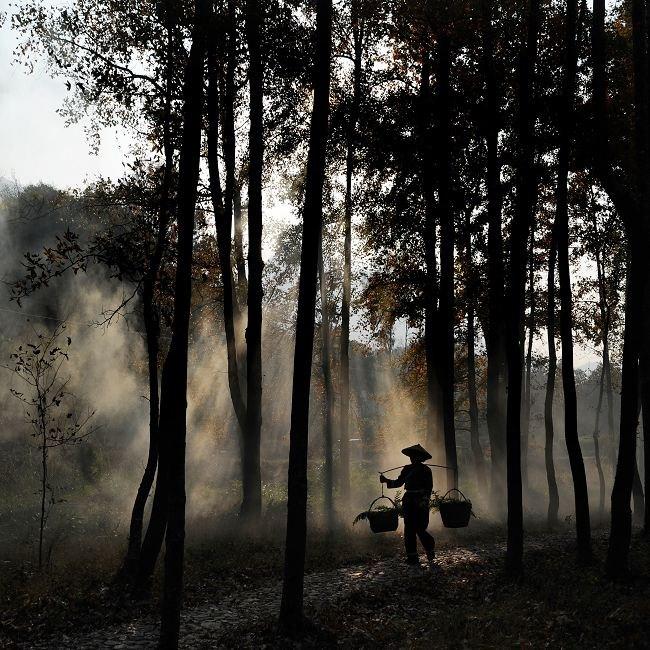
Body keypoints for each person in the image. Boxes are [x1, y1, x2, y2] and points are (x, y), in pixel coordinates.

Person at [380, 443, 436, 566]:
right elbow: (398, 483)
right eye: (411, 455)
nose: (411, 458)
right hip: (408, 501)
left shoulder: (426, 470)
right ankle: (412, 557)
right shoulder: (407, 469)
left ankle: (430, 547)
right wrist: (386, 481)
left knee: (420, 528)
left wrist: (424, 500)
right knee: (409, 528)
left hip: (420, 501)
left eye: (414, 455)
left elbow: (428, 488)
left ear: (420, 457)